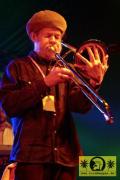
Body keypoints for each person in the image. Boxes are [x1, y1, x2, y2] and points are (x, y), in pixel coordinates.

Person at [0, 10, 108, 180]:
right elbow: (8, 105)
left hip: (65, 157)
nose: (54, 41)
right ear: (34, 36)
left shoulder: (67, 70)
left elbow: (80, 106)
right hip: (31, 157)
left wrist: (94, 83)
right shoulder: (17, 67)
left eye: (58, 37)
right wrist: (45, 83)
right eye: (49, 36)